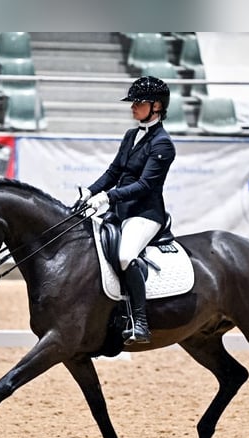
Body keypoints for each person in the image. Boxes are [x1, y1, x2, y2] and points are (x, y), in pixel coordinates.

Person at [81, 76, 177, 345]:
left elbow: (146, 184)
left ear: (156, 106)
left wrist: (108, 197)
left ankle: (140, 322)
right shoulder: (131, 135)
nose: (133, 107)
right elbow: (114, 171)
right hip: (120, 210)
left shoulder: (162, 144)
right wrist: (90, 191)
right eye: (133, 102)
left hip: (145, 214)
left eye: (139, 102)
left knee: (125, 256)